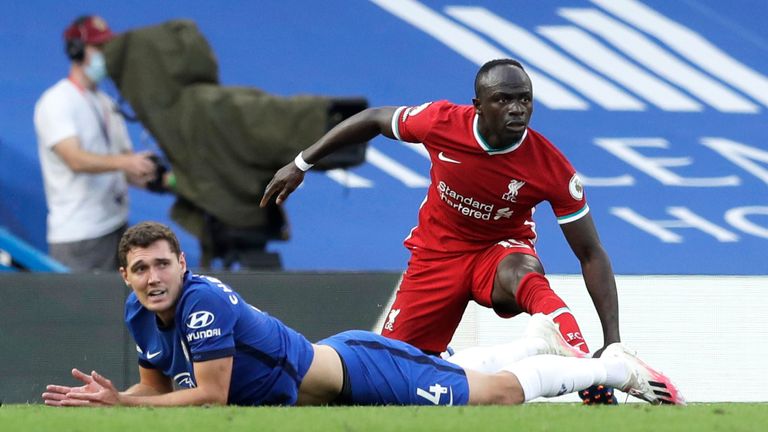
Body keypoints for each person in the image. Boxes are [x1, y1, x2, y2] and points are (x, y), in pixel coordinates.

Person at [261, 59, 621, 402]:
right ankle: (445, 361)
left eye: (524, 99)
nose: (517, 108)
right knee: (386, 381)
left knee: (523, 273)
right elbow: (373, 119)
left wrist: (613, 341)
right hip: (436, 256)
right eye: (503, 99)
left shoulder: (550, 166)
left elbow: (591, 253)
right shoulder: (441, 122)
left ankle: (586, 363)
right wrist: (301, 163)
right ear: (478, 105)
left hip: (497, 251)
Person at [41, 222, 684, 407]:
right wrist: (110, 400)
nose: (154, 279)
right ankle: (540, 340)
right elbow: (155, 392)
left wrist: (124, 408)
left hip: (356, 375)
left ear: (183, 263)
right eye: (141, 270)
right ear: (124, 276)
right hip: (332, 385)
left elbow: (209, 397)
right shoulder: (139, 315)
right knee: (446, 368)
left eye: (163, 264)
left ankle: (612, 368)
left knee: (494, 399)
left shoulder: (203, 300)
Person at [33, 15, 159, 272]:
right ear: (77, 51)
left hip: (116, 227)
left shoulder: (105, 103)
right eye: (98, 48)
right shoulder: (56, 101)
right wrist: (127, 162)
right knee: (81, 311)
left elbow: (125, 165)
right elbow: (75, 159)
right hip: (80, 235)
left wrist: (160, 177)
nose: (105, 55)